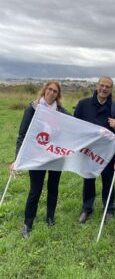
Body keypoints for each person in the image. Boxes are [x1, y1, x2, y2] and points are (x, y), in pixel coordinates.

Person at [11, 81, 68, 238]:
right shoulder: (33, 108)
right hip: (36, 156)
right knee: (35, 190)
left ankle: (50, 217)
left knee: (53, 188)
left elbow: (75, 126)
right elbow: (22, 135)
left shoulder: (61, 112)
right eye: (49, 89)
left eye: (55, 91)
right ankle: (28, 223)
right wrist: (18, 158)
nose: (51, 93)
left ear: (58, 95)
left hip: (56, 155)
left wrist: (98, 132)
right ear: (44, 90)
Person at [74, 76, 115, 223]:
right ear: (97, 86)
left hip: (108, 153)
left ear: (111, 89)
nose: (104, 89)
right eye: (102, 85)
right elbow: (75, 124)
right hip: (89, 151)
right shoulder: (83, 104)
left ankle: (109, 209)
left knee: (108, 180)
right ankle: (86, 208)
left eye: (107, 86)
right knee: (88, 179)